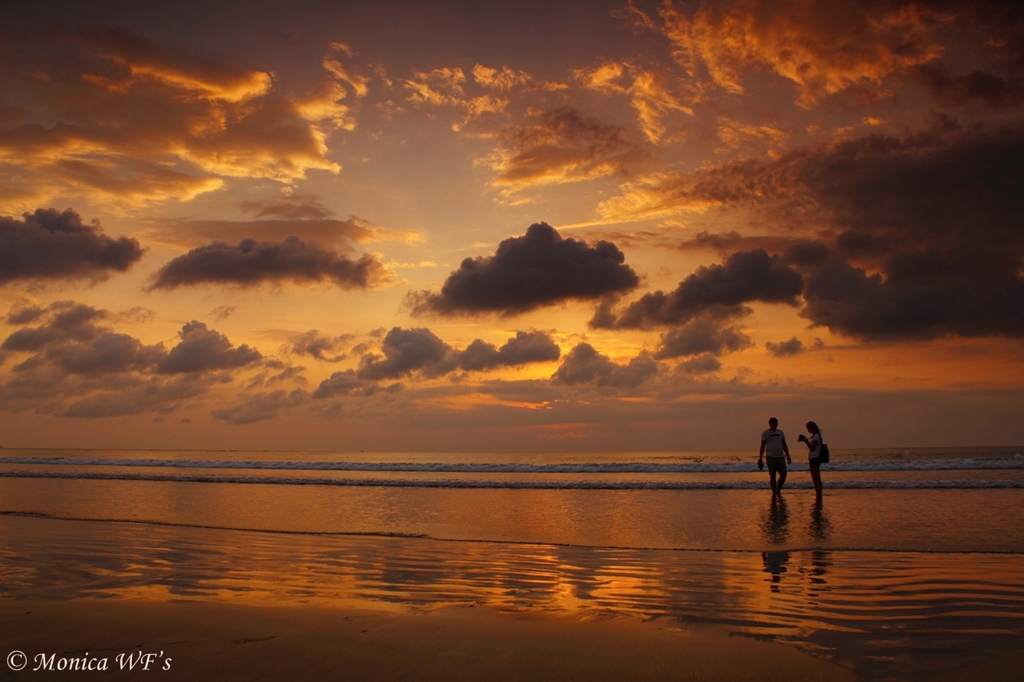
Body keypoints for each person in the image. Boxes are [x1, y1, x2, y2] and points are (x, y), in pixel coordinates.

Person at [758, 417, 791, 499]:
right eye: (772, 424)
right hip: (770, 456)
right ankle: (774, 492)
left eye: (775, 424)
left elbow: (784, 444)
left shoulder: (780, 432)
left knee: (783, 474)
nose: (773, 425)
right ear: (769, 424)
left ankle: (778, 489)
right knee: (772, 475)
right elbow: (762, 446)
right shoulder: (765, 433)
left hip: (780, 456)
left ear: (777, 424)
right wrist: (760, 457)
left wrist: (788, 456)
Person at [798, 421, 824, 501]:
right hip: (815, 458)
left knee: (816, 478)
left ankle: (818, 495)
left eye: (808, 428)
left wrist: (806, 441)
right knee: (816, 478)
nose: (808, 430)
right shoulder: (816, 436)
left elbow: (812, 448)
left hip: (814, 458)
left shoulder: (816, 437)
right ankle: (818, 494)